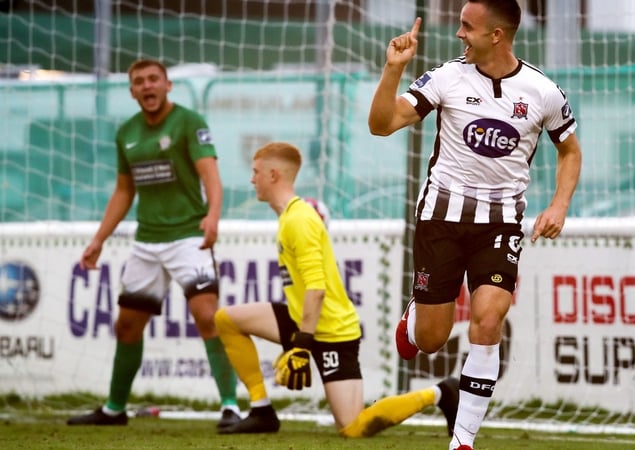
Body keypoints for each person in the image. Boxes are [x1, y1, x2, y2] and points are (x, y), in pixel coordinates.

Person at [368, 1, 583, 449]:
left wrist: (559, 205)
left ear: (497, 35)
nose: (459, 33)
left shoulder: (542, 90)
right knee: (430, 340)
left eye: (468, 26)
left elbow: (570, 150)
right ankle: (413, 323)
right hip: (440, 220)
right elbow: (382, 125)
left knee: (488, 320)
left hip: (501, 224)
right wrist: (393, 70)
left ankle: (462, 440)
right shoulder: (445, 78)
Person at [213, 141, 459, 437]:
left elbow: (316, 288)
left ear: (274, 175)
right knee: (226, 320)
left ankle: (441, 393)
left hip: (332, 330)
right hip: (301, 317)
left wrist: (301, 345)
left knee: (353, 428)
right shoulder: (290, 215)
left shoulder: (299, 220)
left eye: (256, 173)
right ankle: (262, 410)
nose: (252, 179)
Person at [66, 59, 241, 429]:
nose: (147, 86)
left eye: (153, 79)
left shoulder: (189, 122)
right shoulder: (127, 132)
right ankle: (114, 409)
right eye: (139, 82)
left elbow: (210, 174)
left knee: (208, 317)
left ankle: (230, 406)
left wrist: (213, 216)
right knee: (127, 326)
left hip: (188, 238)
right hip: (146, 242)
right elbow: (124, 190)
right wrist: (99, 239)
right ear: (131, 91)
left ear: (167, 85)